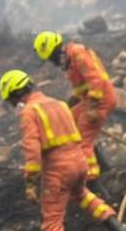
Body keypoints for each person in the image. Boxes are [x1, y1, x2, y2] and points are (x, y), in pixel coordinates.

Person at [0, 69, 126, 231]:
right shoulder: (59, 104)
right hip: (79, 161)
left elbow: (32, 151)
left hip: (58, 170)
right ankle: (119, 228)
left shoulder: (29, 112)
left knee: (52, 223)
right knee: (82, 195)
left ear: (15, 94)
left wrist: (30, 182)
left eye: (11, 100)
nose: (13, 104)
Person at [34, 31, 116, 180]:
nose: (53, 62)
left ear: (54, 51)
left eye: (51, 58)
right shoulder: (70, 60)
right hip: (89, 100)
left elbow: (95, 79)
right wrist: (68, 105)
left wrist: (93, 107)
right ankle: (104, 167)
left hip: (100, 99)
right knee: (69, 121)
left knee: (83, 139)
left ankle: (92, 177)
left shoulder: (77, 53)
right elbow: (81, 88)